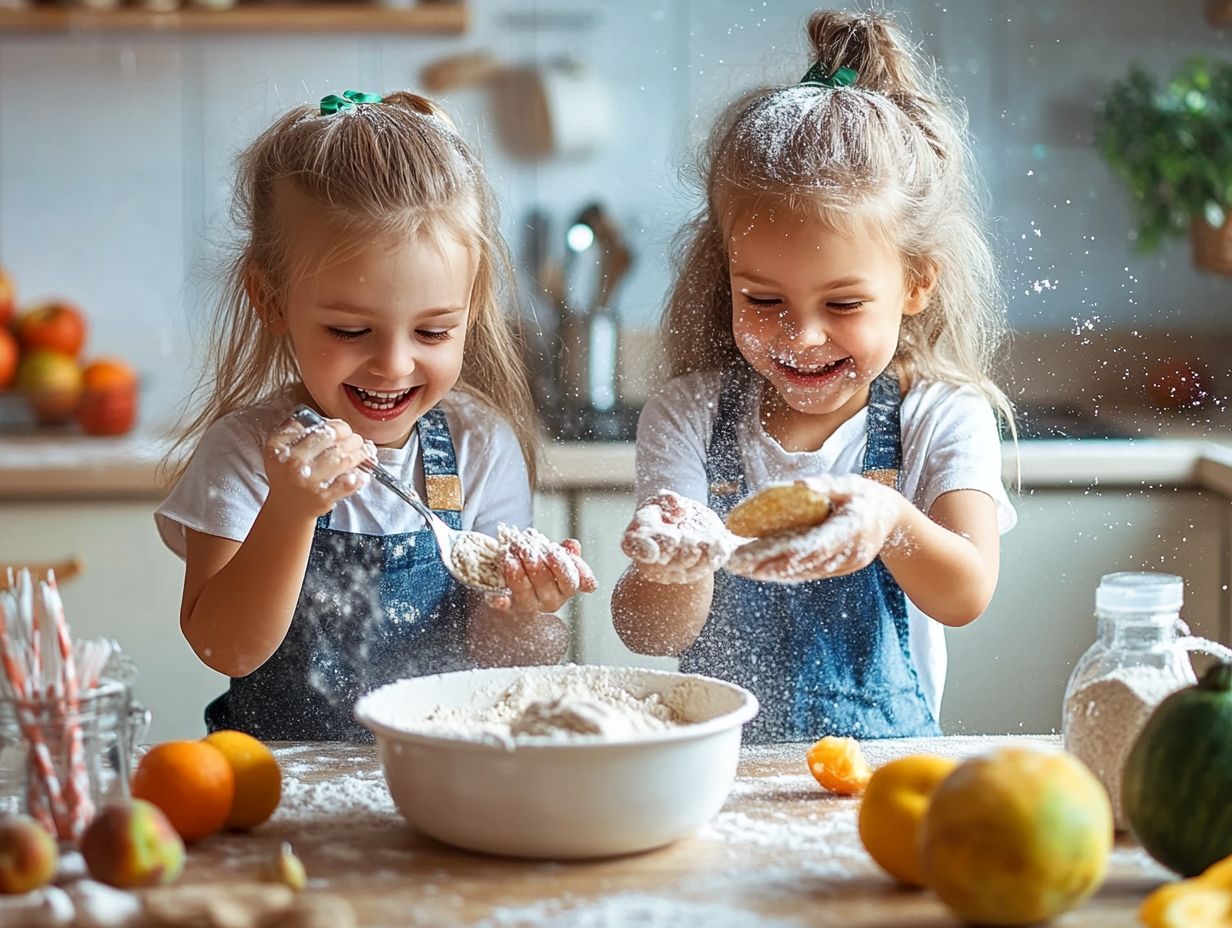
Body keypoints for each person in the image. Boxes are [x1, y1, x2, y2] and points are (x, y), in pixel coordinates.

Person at [611, 12, 1017, 743]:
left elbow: (966, 593)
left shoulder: (940, 416)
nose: (801, 335)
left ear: (917, 282)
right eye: (763, 300)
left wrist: (888, 519)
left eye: (843, 303)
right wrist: (680, 559)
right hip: (713, 775)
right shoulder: (689, 417)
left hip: (879, 783)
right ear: (726, 272)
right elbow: (644, 630)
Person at [157, 90, 595, 741]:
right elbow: (226, 649)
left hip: (445, 781)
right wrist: (290, 510)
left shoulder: (480, 446)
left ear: (471, 307)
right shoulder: (247, 453)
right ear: (271, 300)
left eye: (432, 331)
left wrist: (527, 610)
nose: (393, 365)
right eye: (350, 329)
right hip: (281, 786)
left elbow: (503, 661)